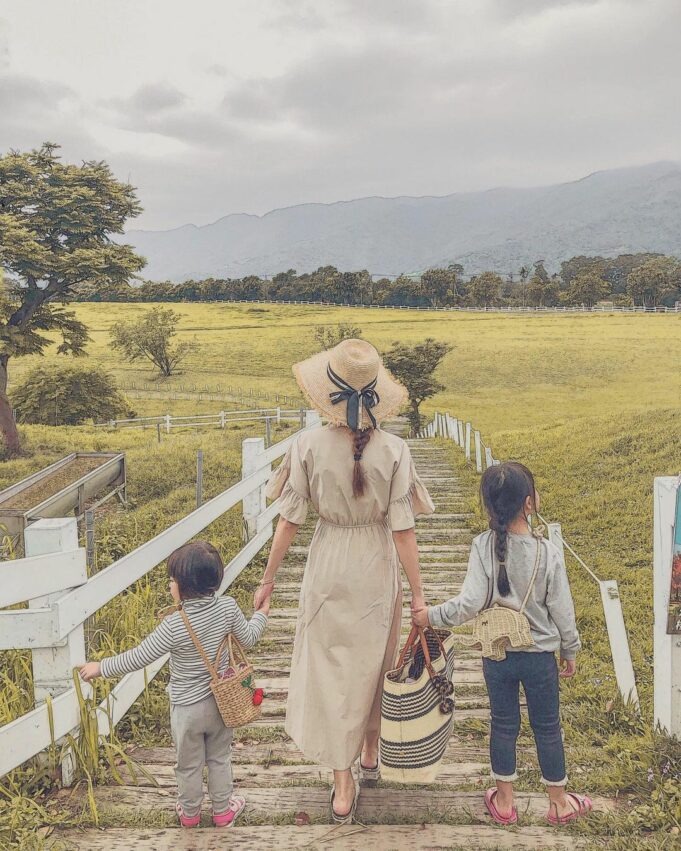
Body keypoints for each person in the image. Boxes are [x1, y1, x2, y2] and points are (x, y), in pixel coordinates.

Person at [254, 338, 434, 824]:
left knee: (333, 670)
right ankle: (372, 752)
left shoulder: (307, 445)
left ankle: (341, 781)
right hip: (377, 563)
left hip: (329, 560)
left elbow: (288, 522)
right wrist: (419, 595)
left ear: (327, 396)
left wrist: (268, 580)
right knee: (377, 658)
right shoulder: (396, 449)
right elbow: (404, 531)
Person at [412, 461, 592, 827]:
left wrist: (430, 616)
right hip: (540, 657)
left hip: (498, 656)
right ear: (529, 503)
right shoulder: (548, 552)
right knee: (547, 726)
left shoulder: (482, 546)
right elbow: (563, 609)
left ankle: (506, 801)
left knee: (503, 724)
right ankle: (558, 802)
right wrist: (569, 649)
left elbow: (469, 603)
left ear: (491, 506)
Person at [79, 540, 268, 829]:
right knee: (219, 757)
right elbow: (250, 637)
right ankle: (222, 811)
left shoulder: (174, 625)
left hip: (187, 709)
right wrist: (261, 614)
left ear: (184, 586)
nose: (170, 586)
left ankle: (190, 815)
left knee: (188, 763)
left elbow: (138, 657)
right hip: (221, 704)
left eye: (172, 580)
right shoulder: (228, 608)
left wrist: (100, 667)